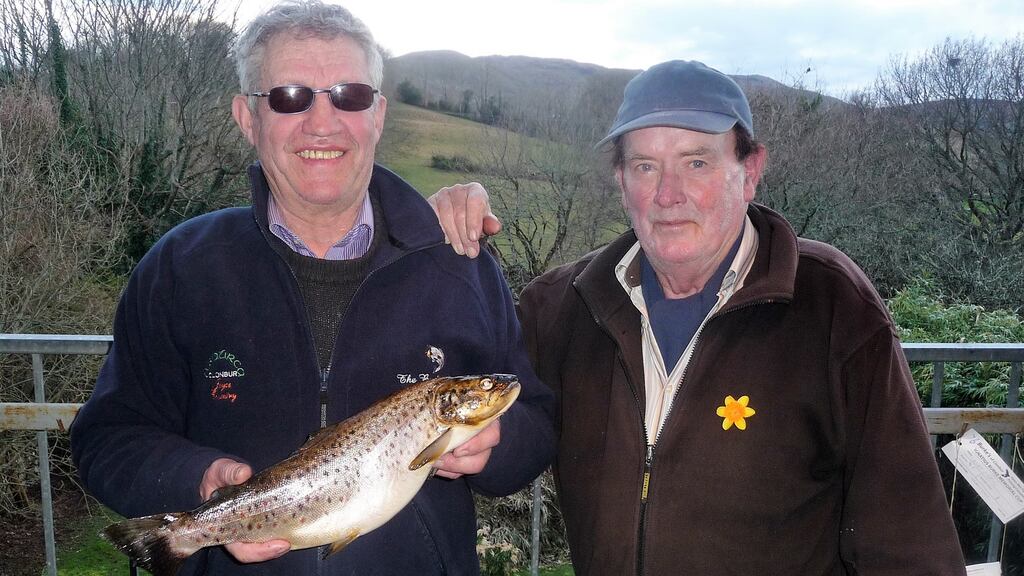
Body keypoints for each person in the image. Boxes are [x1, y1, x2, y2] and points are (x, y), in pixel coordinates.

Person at [70, 1, 555, 574]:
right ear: (247, 117)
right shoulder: (180, 267)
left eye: (348, 95)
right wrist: (196, 479)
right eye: (289, 97)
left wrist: (496, 444)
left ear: (377, 113)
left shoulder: (460, 263)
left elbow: (537, 423)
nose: (322, 123)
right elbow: (107, 437)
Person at [431, 60, 967, 574]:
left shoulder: (832, 305)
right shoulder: (563, 306)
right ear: (621, 181)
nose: (668, 195)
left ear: (750, 170)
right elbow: (500, 441)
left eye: (697, 162)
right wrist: (434, 252)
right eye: (645, 166)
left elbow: (908, 539)